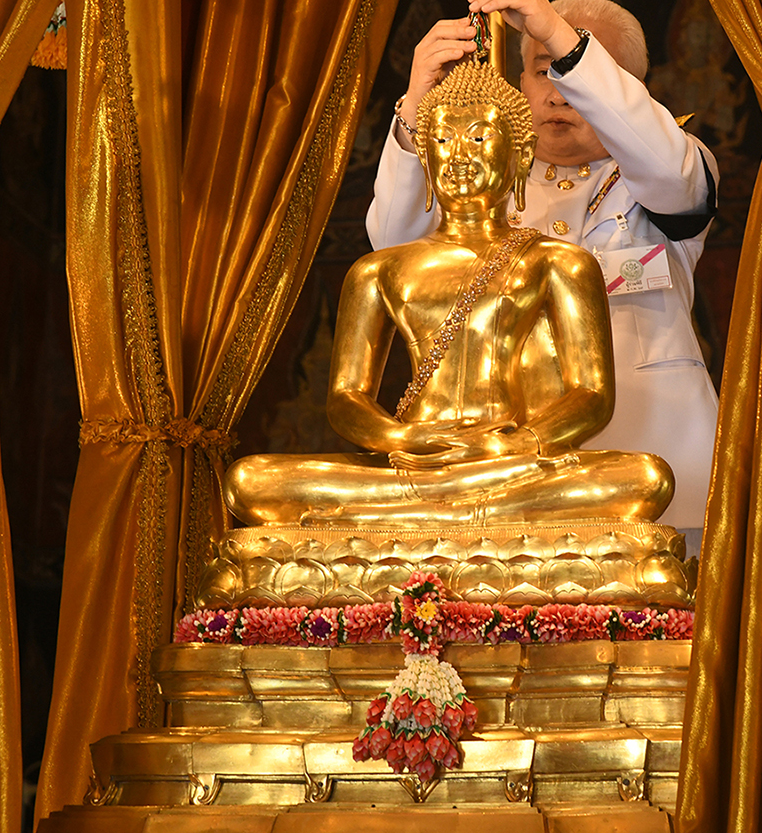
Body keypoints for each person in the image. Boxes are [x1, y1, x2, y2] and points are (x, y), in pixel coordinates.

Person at [226, 58, 673, 530]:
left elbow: (592, 395)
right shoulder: (378, 270)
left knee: (645, 478)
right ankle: (463, 514)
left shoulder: (559, 262)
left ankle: (409, 521)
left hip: (512, 461)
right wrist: (402, 439)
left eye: (478, 139)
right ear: (425, 156)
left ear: (520, 155)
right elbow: (346, 398)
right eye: (442, 140)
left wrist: (512, 444)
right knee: (250, 480)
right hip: (415, 462)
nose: (458, 156)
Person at [367, 0, 720, 548]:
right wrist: (415, 105)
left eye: (575, 70)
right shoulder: (480, 182)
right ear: (519, 82)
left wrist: (555, 31)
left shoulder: (672, 165)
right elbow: (393, 251)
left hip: (654, 467)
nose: (558, 93)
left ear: (630, 90)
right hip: (507, 475)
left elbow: (668, 169)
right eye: (541, 70)